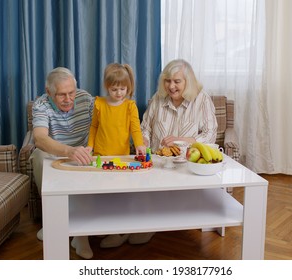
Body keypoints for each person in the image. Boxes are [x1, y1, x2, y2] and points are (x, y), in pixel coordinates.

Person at [139, 59, 218, 243]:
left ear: (187, 82)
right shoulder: (158, 98)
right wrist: (143, 142)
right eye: (167, 81)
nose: (171, 86)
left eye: (177, 81)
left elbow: (210, 133)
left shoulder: (201, 99)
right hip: (157, 165)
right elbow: (145, 128)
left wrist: (181, 140)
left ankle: (167, 222)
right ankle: (144, 224)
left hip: (186, 166)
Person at [30, 67, 94, 259]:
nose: (68, 99)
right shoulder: (41, 104)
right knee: (38, 156)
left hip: (83, 154)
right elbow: (40, 139)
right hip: (54, 155)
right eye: (62, 95)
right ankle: (52, 222)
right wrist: (68, 151)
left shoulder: (86, 98)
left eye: (71, 92)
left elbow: (100, 126)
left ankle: (80, 235)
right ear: (49, 92)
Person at [87, 63, 146, 249]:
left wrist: (140, 145)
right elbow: (94, 127)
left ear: (128, 88)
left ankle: (119, 229)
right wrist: (89, 146)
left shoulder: (130, 106)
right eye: (114, 89)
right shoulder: (99, 104)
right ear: (107, 87)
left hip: (121, 158)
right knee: (101, 194)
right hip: (100, 155)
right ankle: (104, 225)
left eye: (123, 89)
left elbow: (135, 128)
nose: (119, 93)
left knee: (119, 195)